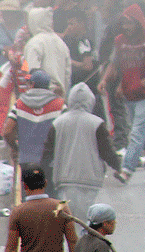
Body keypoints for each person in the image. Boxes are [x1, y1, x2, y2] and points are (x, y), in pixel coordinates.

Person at [102, 3, 145, 183]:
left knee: (137, 132)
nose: (126, 27)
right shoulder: (120, 41)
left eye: (129, 23)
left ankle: (126, 170)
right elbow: (114, 63)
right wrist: (105, 81)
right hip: (130, 93)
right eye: (124, 23)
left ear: (138, 23)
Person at [48, 83, 119, 222]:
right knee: (88, 219)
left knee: (68, 219)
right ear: (90, 101)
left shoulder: (58, 123)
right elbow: (106, 151)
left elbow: (48, 152)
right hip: (90, 180)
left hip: (64, 179)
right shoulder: (97, 123)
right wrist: (117, 165)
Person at [6, 69, 65, 173]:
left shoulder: (19, 104)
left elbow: (7, 131)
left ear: (32, 84)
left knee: (28, 183)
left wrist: (16, 148)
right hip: (51, 160)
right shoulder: (60, 105)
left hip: (26, 159)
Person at [24, 9, 71, 98]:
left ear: (33, 21)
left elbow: (32, 71)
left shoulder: (34, 43)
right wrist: (63, 91)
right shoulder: (61, 43)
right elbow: (67, 73)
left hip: (40, 96)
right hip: (59, 96)